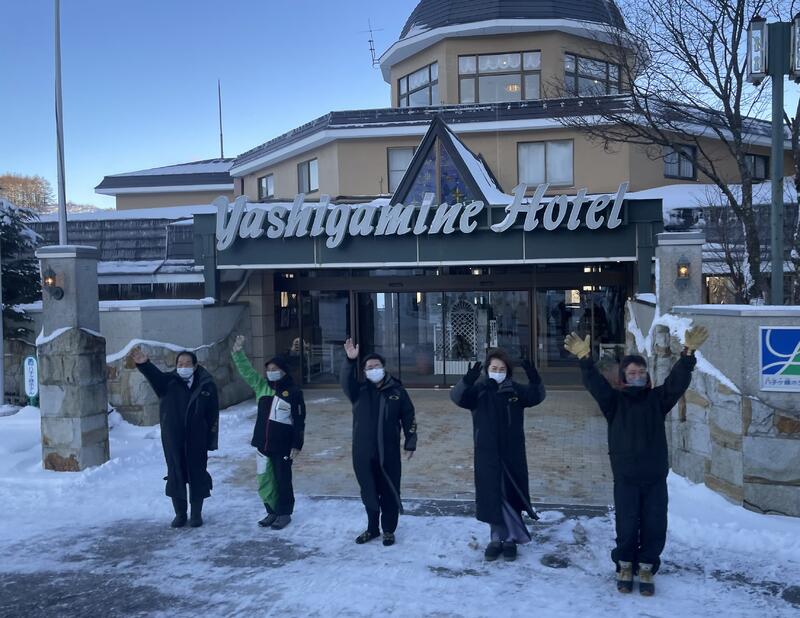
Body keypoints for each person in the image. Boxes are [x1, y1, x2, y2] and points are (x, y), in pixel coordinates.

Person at [563, 325, 708, 596]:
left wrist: (688, 354)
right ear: (623, 377)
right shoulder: (614, 402)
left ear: (647, 376)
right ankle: (625, 566)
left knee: (655, 524)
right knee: (627, 524)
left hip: (654, 477)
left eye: (641, 372)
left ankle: (647, 567)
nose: (638, 376)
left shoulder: (657, 400)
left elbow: (676, 382)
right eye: (632, 373)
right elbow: (595, 384)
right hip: (626, 477)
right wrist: (584, 359)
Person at [450, 348, 546, 562]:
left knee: (511, 494)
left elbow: (537, 396)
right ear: (487, 370)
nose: (498, 372)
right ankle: (496, 539)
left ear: (508, 372)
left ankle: (510, 540)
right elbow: (457, 397)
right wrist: (467, 380)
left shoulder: (515, 391)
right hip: (487, 454)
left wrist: (534, 376)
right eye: (494, 368)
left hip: (512, 454)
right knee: (493, 496)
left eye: (502, 369)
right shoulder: (479, 391)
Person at [340, 338, 417, 547]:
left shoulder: (397, 391)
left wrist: (410, 441)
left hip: (388, 452)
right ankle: (372, 528)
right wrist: (350, 360)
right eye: (369, 367)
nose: (373, 369)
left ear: (383, 368)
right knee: (369, 490)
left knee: (390, 490)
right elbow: (345, 381)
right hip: (363, 452)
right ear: (364, 371)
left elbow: (408, 416)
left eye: (376, 366)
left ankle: (389, 530)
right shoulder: (358, 391)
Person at [131, 346, 219, 528]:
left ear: (195, 366)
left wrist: (211, 440)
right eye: (180, 364)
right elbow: (154, 376)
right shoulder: (167, 382)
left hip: (197, 438)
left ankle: (196, 514)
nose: (183, 367)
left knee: (197, 473)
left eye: (187, 363)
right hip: (173, 437)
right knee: (176, 473)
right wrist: (144, 364)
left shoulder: (206, 384)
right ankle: (180, 513)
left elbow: (213, 414)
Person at [232, 335, 306, 530]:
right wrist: (238, 353)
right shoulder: (261, 386)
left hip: (283, 446)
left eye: (275, 369)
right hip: (262, 443)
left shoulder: (293, 392)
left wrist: (297, 444)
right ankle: (271, 511)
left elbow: (299, 421)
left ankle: (284, 512)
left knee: (282, 480)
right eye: (269, 369)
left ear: (283, 371)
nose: (271, 372)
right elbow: (247, 371)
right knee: (264, 479)